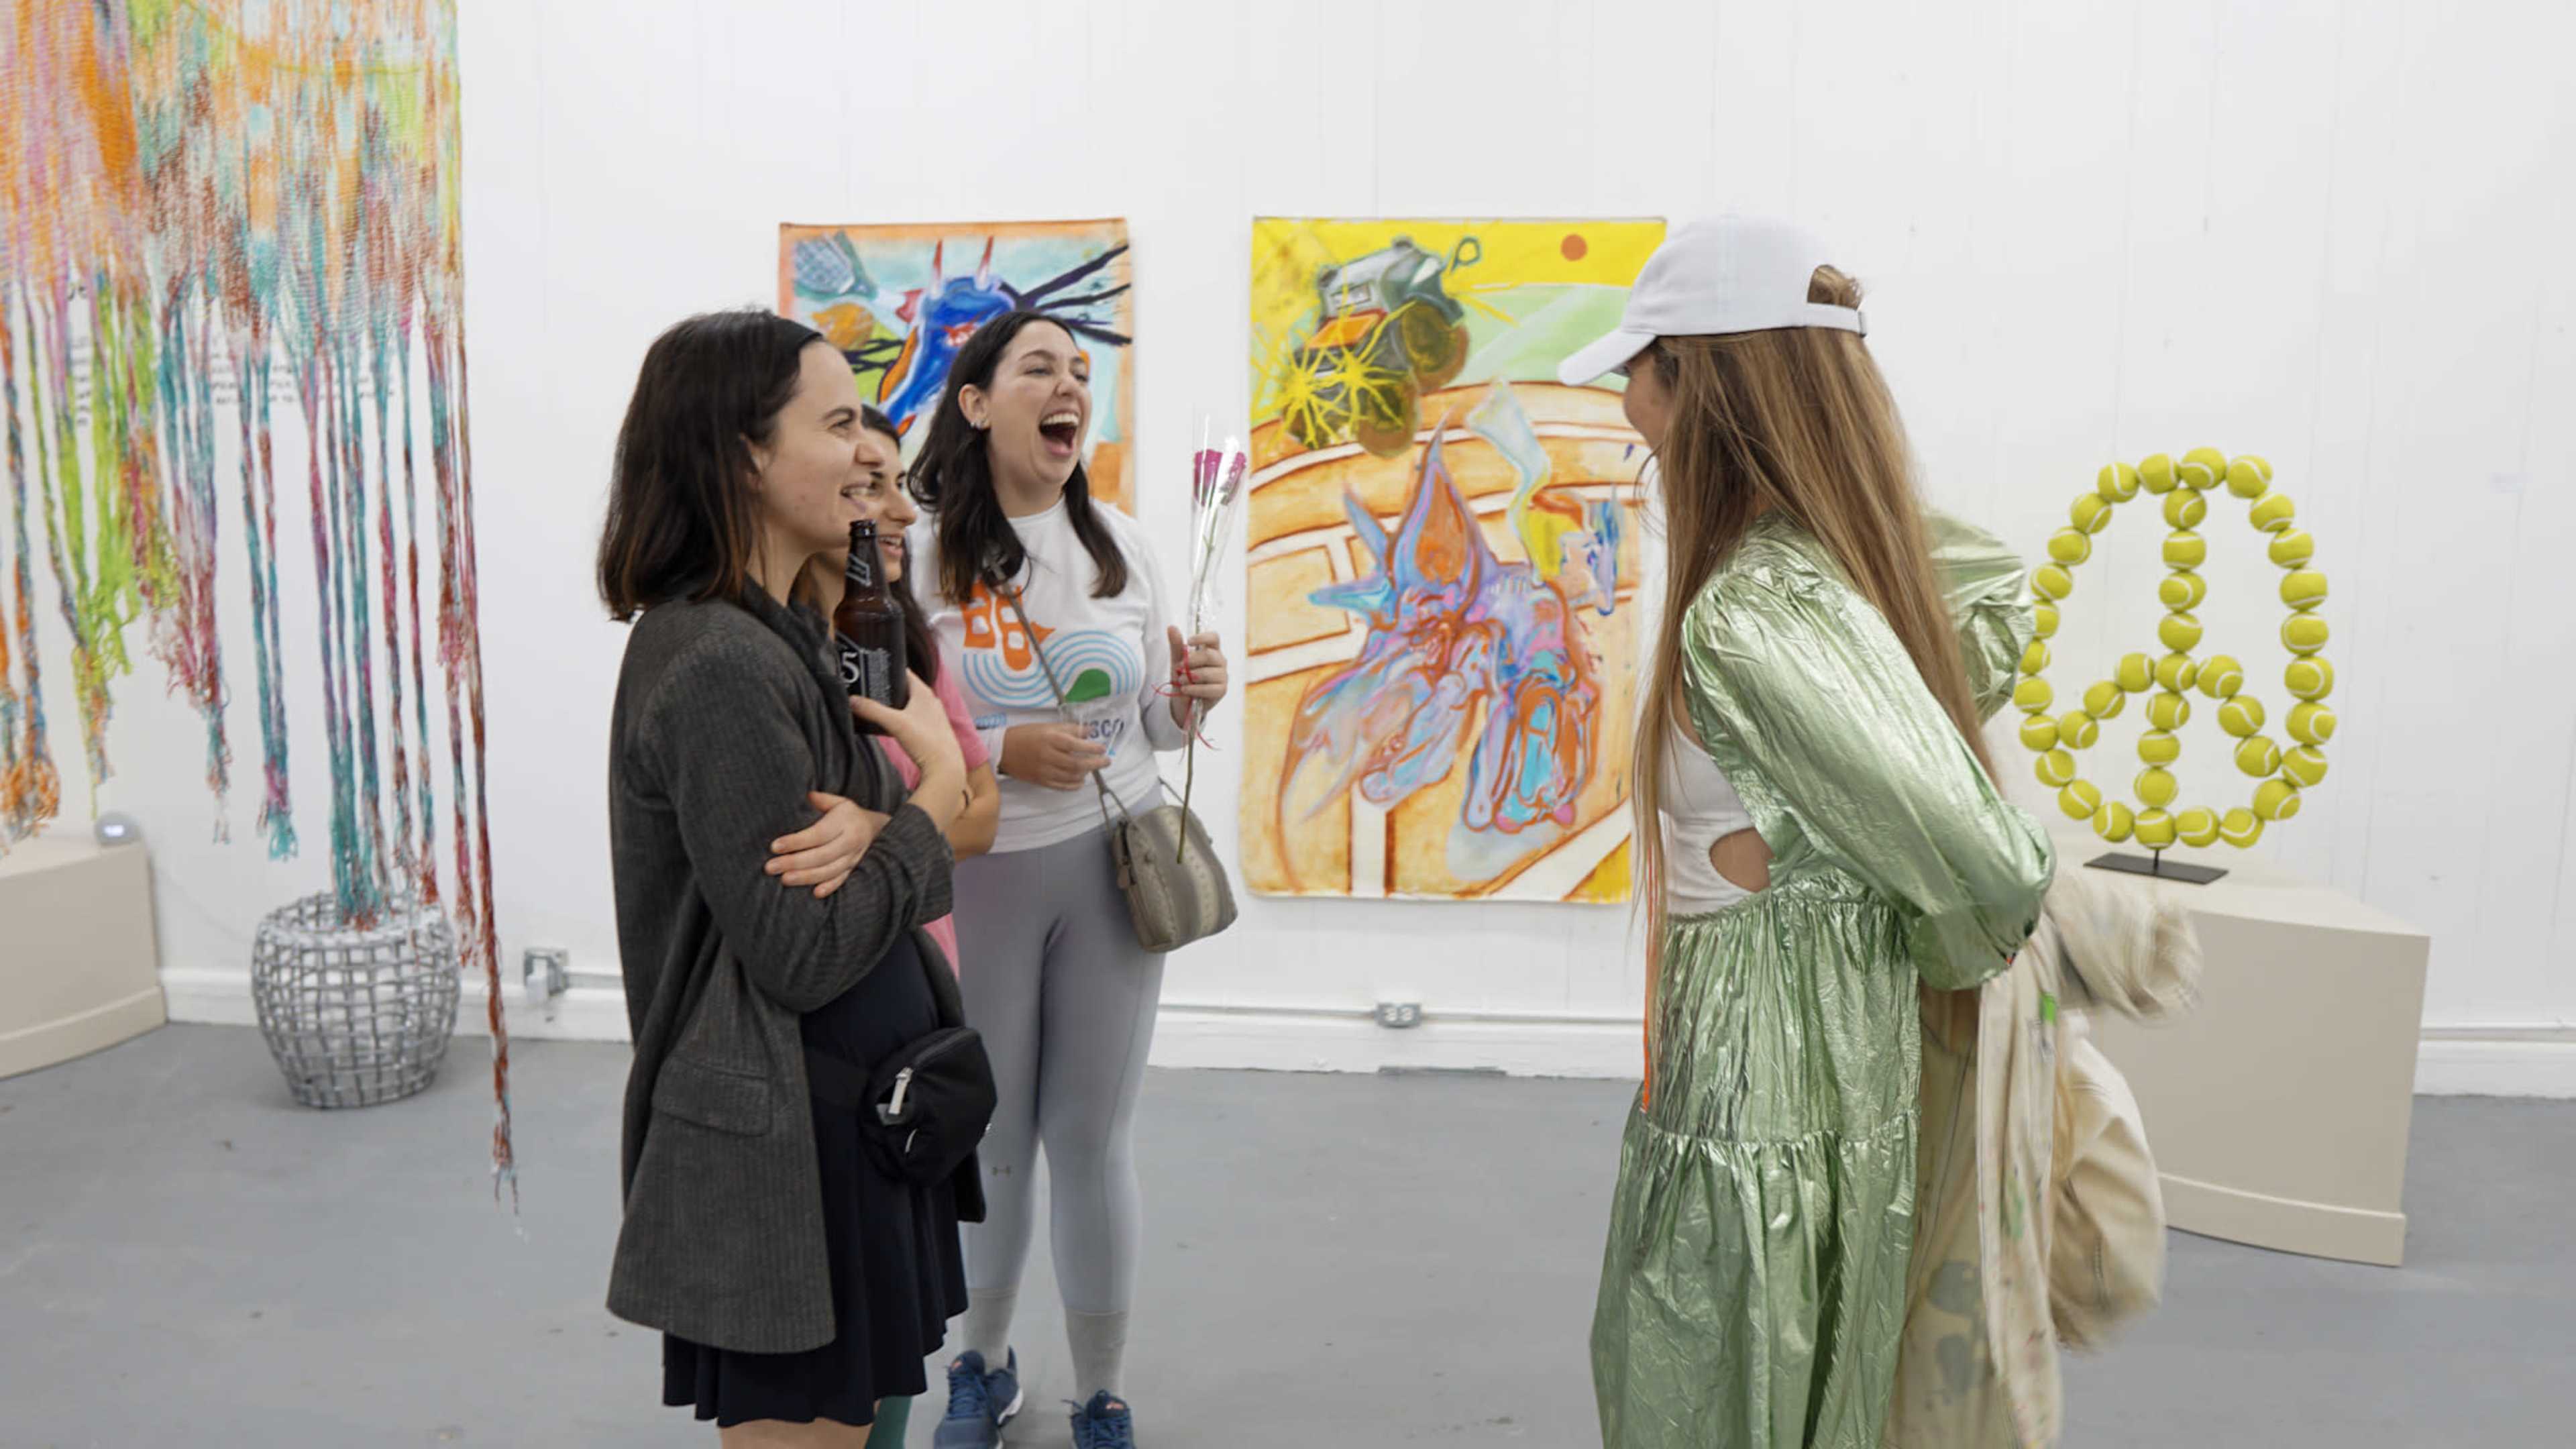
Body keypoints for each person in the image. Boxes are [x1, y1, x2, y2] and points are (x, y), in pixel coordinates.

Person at [1560, 219, 2057, 1449]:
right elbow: (1991, 596)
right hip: (1820, 1068)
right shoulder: (1809, 574)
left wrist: (1933, 928)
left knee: (1717, 1382)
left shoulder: (1754, 610)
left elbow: (1985, 863)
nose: (1625, 395)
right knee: (1806, 1377)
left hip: (1758, 1085)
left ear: (1705, 383)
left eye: (1642, 365)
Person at [598, 309, 974, 1446]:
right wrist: (938, 796)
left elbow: (839, 870)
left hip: (841, 1132)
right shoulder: (716, 661)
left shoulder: (782, 638)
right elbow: (804, 950)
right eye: (842, 422)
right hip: (784, 1169)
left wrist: (884, 829)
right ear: (743, 455)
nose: (873, 453)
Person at [904, 311, 1228, 1449]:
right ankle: (982, 1371)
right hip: (983, 874)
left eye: (1082, 373)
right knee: (990, 1136)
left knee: (1091, 1139)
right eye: (1040, 367)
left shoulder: (1125, 548)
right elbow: (892, 731)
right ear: (978, 401)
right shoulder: (916, 546)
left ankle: (1101, 1393)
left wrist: (1192, 697)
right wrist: (1000, 747)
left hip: (1111, 868)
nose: (1069, 388)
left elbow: (1157, 729)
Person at [789, 404, 1004, 1449]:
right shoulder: (774, 656)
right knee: (834, 1342)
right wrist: (927, 814)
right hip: (828, 1022)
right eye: (867, 482)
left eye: (895, 486)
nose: (895, 510)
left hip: (916, 1000)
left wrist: (892, 826)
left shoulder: (907, 643)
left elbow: (986, 813)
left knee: (899, 1342)